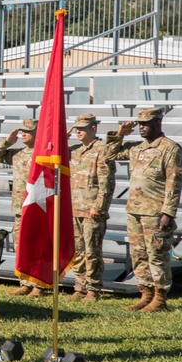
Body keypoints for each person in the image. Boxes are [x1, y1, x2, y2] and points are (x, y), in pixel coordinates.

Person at [106, 107, 182, 312]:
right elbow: (110, 154)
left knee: (156, 253)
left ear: (158, 123)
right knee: (138, 254)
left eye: (146, 124)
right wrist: (120, 134)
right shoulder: (137, 148)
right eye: (139, 124)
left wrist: (168, 212)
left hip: (155, 212)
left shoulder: (169, 148)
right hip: (135, 210)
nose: (141, 128)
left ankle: (160, 297)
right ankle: (146, 293)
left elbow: (173, 183)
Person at [0, 119, 47, 297]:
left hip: (40, 208)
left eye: (28, 131)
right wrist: (8, 142)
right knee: (21, 247)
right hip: (20, 208)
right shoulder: (18, 154)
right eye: (22, 131)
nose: (23, 134)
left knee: (38, 247)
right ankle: (25, 282)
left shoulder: (45, 154)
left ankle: (39, 285)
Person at [68, 114, 115, 302]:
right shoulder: (75, 151)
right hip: (74, 208)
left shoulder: (102, 150)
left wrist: (99, 207)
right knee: (78, 250)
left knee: (92, 251)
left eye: (82, 128)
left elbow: (107, 183)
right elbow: (51, 152)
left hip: (92, 210)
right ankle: (80, 287)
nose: (78, 131)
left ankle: (93, 288)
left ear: (93, 128)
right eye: (76, 127)